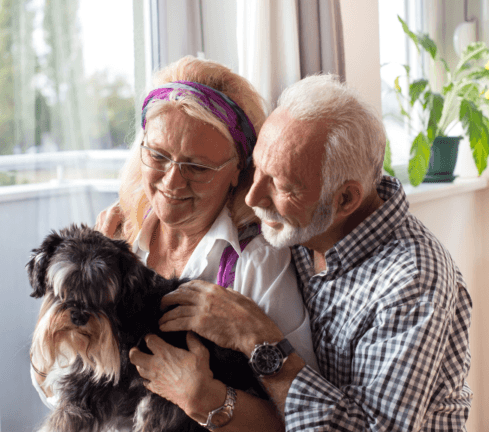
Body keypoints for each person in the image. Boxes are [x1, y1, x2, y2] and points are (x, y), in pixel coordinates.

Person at [150, 74, 473, 431]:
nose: (252, 198)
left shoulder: (412, 282)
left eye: (282, 186)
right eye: (257, 169)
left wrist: (257, 339)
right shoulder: (305, 229)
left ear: (346, 199)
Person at [31, 56, 318, 432]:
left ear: (239, 170)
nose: (172, 181)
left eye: (198, 167)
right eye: (158, 155)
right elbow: (57, 380)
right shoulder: (116, 236)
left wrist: (207, 396)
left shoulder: (257, 263)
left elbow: (301, 417)